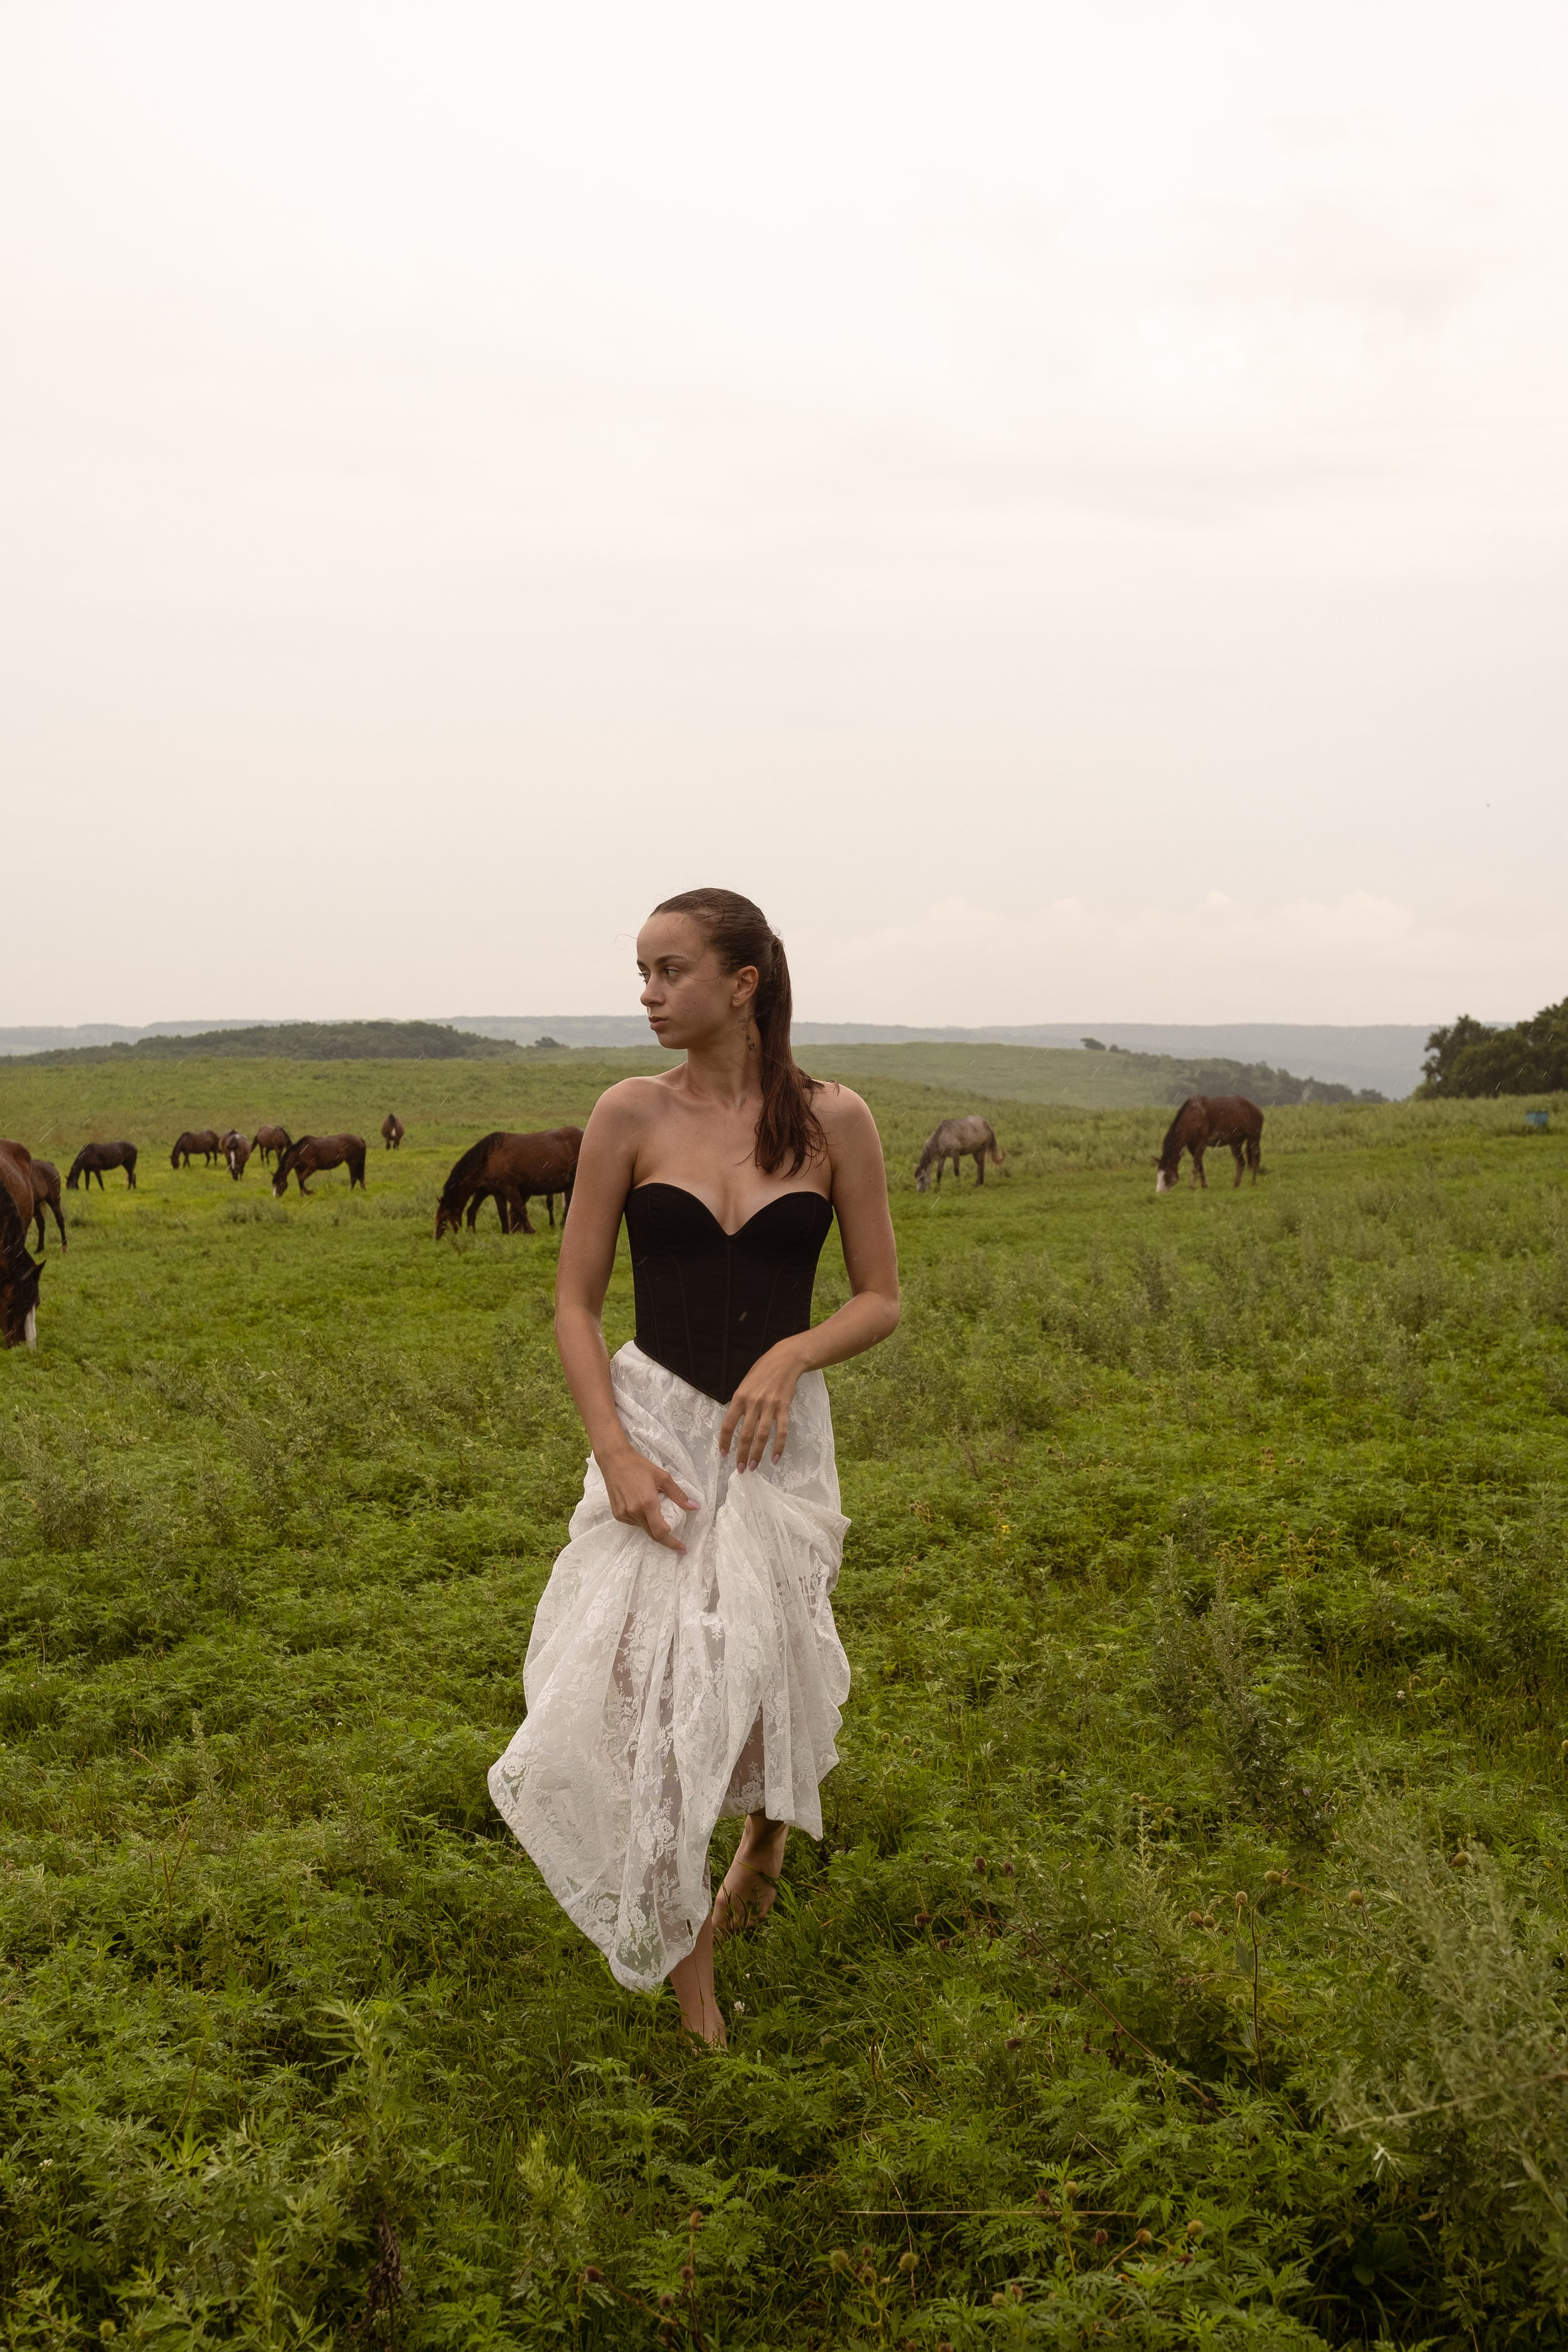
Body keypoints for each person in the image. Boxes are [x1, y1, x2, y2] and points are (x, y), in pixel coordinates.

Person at [489, 888, 900, 2044]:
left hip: (775, 1438)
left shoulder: (836, 1121)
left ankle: (763, 1841)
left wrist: (795, 1353)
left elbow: (880, 1297)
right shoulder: (627, 1113)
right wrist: (612, 1451)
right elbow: (572, 1304)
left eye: (671, 971)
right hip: (656, 1427)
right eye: (642, 970)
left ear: (743, 984)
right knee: (651, 1686)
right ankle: (696, 1995)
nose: (649, 993)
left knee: (768, 1646)